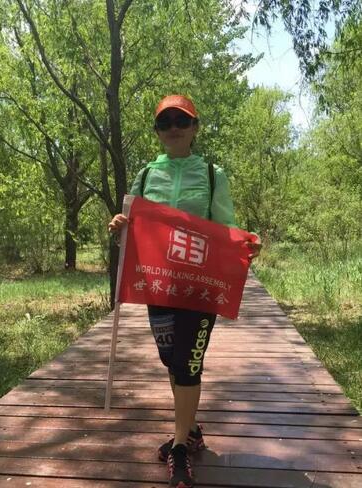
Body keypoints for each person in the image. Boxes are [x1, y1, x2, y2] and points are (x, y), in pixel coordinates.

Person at [108, 95, 261, 488]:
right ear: (157, 131)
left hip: (199, 288)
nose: (173, 128)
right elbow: (134, 227)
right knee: (170, 359)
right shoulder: (146, 175)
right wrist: (120, 224)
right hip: (158, 284)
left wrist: (245, 245)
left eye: (182, 120)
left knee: (187, 364)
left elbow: (225, 228)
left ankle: (179, 449)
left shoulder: (211, 174)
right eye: (165, 122)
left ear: (195, 127)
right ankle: (191, 431)